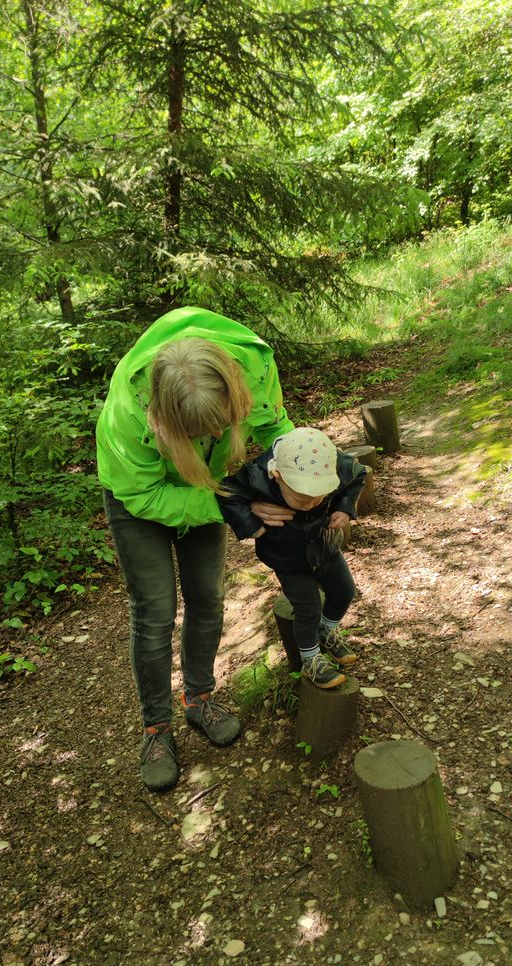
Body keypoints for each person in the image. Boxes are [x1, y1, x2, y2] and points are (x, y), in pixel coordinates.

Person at [96, 307, 294, 792]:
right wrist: (234, 504)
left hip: (209, 487)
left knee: (207, 596)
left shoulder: (254, 367)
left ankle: (199, 698)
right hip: (137, 499)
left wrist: (294, 478)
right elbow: (143, 495)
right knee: (156, 611)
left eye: (218, 427)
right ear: (163, 417)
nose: (209, 437)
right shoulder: (129, 413)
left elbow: (275, 430)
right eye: (195, 433)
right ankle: (156, 729)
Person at [218, 427, 366, 688]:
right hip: (286, 555)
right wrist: (252, 524)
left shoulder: (333, 462)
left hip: (324, 544)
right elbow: (227, 494)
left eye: (316, 498)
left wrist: (344, 507)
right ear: (277, 476)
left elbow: (358, 474)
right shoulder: (257, 474)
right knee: (308, 608)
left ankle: (327, 629)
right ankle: (311, 660)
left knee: (344, 590)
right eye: (301, 499)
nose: (310, 504)